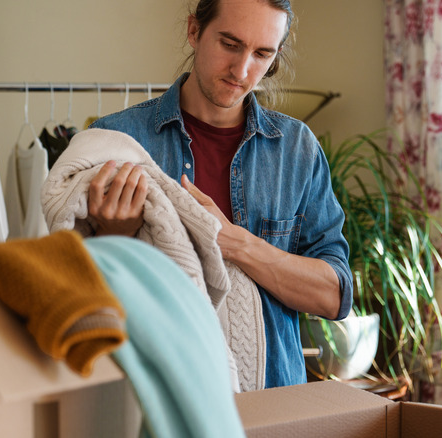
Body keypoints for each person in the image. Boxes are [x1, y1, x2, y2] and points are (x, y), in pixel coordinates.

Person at [86, 0, 352, 388]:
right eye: (230, 44)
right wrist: (115, 235)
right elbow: (74, 297)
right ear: (194, 31)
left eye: (262, 54)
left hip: (272, 404)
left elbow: (334, 297)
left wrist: (237, 244)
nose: (242, 71)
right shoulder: (117, 141)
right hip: (156, 398)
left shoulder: (297, 149)